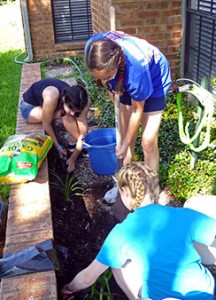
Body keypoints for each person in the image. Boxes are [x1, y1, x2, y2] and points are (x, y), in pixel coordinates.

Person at [61, 162, 216, 300]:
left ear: (125, 191)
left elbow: (87, 278)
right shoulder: (184, 214)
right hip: (205, 291)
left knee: (117, 263)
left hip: (162, 296)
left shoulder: (122, 233)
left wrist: (68, 289)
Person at [84, 31, 172, 173]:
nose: (105, 81)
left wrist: (125, 143)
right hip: (123, 74)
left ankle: (151, 188)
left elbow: (137, 111)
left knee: (148, 142)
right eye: (100, 78)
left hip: (156, 78)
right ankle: (126, 184)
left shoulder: (135, 72)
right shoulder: (92, 49)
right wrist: (111, 88)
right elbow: (108, 81)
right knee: (124, 134)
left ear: (117, 62)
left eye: (107, 76)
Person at [20, 78, 89, 172]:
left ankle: (79, 146)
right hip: (29, 108)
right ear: (64, 99)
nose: (73, 113)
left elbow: (83, 135)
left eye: (75, 111)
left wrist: (73, 157)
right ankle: (80, 147)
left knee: (67, 114)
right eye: (71, 109)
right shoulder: (51, 97)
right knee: (64, 114)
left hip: (49, 104)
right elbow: (46, 125)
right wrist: (58, 147)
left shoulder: (81, 101)